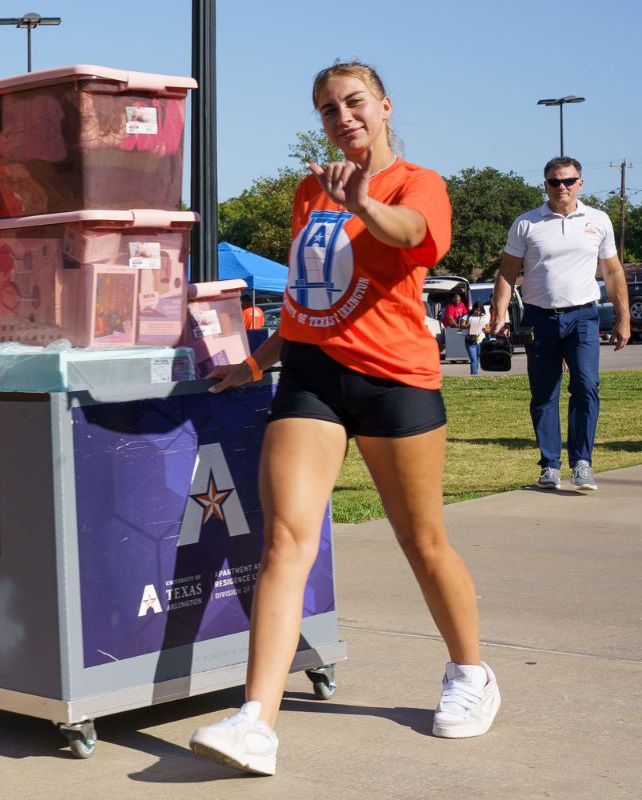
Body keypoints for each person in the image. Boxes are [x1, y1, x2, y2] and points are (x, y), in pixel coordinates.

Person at [189, 61, 500, 777]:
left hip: (395, 380)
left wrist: (362, 201)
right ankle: (256, 722)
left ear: (385, 106)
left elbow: (412, 234)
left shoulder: (417, 183)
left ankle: (470, 674)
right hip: (312, 378)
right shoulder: (309, 190)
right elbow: (306, 295)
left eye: (354, 102)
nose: (342, 116)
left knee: (422, 542)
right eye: (328, 109)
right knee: (285, 543)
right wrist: (258, 359)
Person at [492, 157, 629, 491]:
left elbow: (612, 271)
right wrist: (498, 313)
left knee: (586, 385)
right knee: (544, 393)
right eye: (555, 182)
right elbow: (508, 271)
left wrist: (623, 318)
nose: (562, 188)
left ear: (580, 183)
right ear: (545, 186)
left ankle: (582, 463)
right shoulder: (527, 224)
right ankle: (550, 465)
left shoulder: (598, 220)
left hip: (583, 315)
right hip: (540, 317)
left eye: (568, 181)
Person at [465, 302, 490, 375]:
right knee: (474, 359)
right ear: (473, 309)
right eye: (476, 310)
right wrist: (471, 325)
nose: (478, 312)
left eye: (479, 311)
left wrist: (484, 328)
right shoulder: (468, 316)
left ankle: (475, 372)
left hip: (481, 340)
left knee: (478, 358)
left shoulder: (484, 317)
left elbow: (488, 329)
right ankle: (474, 375)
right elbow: (461, 326)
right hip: (470, 340)